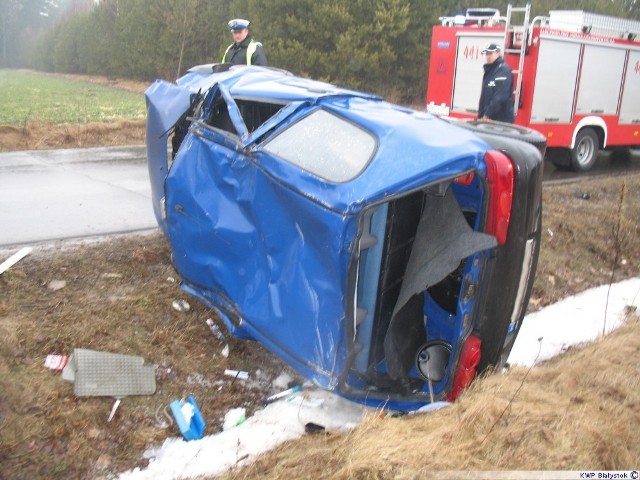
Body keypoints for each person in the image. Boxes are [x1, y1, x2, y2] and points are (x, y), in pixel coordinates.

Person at [477, 43, 514, 123]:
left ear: (498, 53)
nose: (488, 56)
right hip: (489, 118)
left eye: (490, 53)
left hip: (499, 120)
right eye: (486, 54)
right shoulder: (491, 71)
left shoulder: (502, 71)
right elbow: (486, 94)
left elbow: (500, 95)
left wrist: (488, 114)